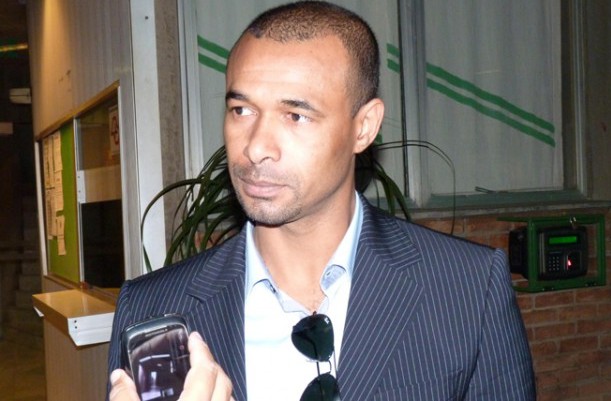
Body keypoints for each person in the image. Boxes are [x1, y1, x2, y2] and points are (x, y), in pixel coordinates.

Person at [107, 1, 536, 400]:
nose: (255, 147)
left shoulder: (467, 288)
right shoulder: (150, 310)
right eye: (242, 110)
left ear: (364, 127)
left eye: (296, 115)